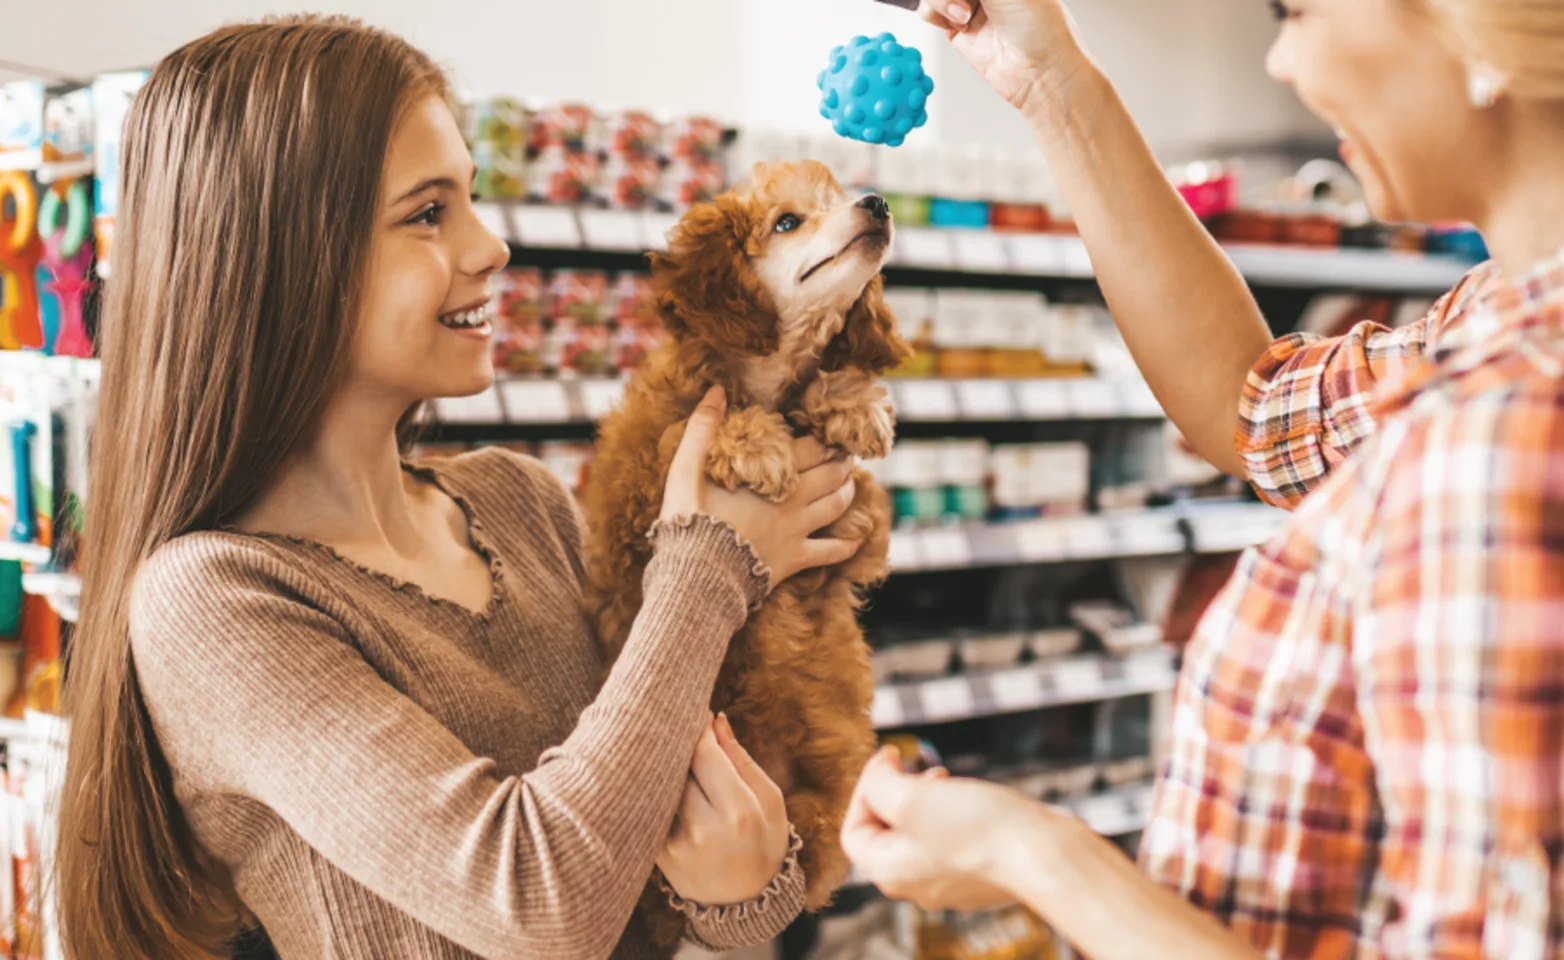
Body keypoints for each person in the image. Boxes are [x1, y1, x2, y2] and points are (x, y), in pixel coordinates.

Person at [52, 16, 864, 960]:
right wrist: (713, 563)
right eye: (428, 212)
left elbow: (672, 852)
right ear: (280, 254)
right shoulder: (215, 603)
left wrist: (738, 905)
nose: (493, 246)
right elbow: (540, 904)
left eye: (472, 197)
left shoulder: (520, 503)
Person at [848, 0, 1564, 957]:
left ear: (1479, 32)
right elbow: (1258, 409)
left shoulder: (1506, 422)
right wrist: (1047, 79)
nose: (1277, 60)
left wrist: (1032, 853)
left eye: (1298, 12)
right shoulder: (1493, 320)